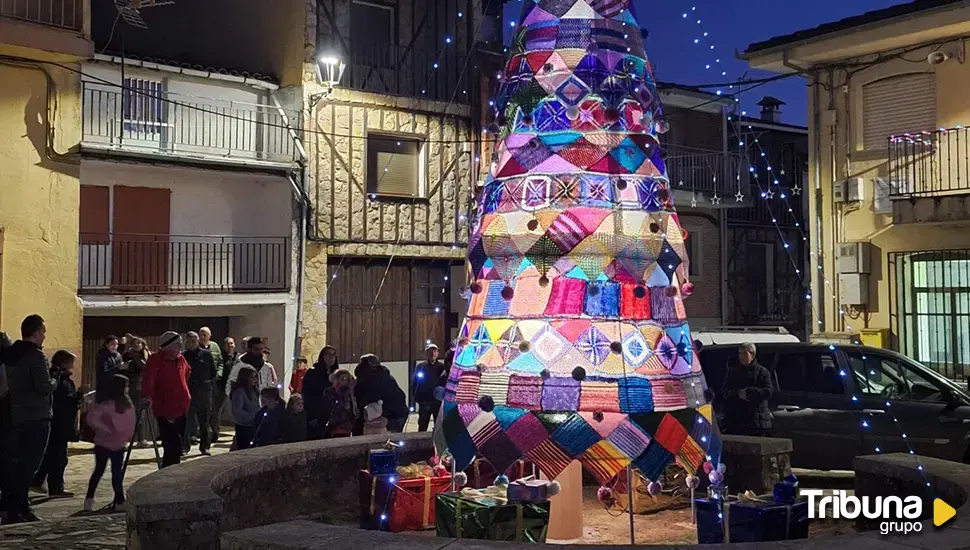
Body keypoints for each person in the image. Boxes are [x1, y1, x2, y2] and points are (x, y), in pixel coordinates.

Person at [3, 315, 56, 523]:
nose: (44, 336)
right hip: (36, 415)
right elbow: (44, 387)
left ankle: (12, 507)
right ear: (35, 333)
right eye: (43, 331)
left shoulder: (10, 355)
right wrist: (55, 380)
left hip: (15, 415)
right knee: (29, 464)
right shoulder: (36, 356)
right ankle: (20, 507)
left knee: (16, 464)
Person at [31, 350, 83, 499]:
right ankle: (55, 488)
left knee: (51, 455)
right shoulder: (58, 378)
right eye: (71, 362)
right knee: (59, 457)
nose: (73, 366)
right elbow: (62, 402)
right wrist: (78, 395)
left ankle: (37, 480)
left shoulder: (59, 377)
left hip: (58, 423)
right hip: (59, 423)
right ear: (65, 363)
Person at [83, 374, 136, 512]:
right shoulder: (109, 404)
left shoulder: (125, 404)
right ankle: (91, 499)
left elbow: (130, 422)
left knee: (113, 474)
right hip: (105, 443)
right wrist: (106, 430)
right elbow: (92, 418)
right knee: (104, 472)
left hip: (115, 444)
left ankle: (118, 500)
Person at [141, 332, 191, 467]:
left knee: (178, 443)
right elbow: (148, 380)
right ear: (167, 346)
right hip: (165, 408)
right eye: (177, 344)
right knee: (172, 444)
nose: (180, 346)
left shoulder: (181, 359)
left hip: (181, 408)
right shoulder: (155, 360)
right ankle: (168, 471)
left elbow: (187, 373)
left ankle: (172, 469)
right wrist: (147, 396)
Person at [721, 342, 774, 437]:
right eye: (740, 353)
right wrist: (738, 394)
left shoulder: (762, 372)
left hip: (757, 422)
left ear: (752, 354)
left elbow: (768, 391)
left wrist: (749, 392)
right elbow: (725, 392)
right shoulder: (733, 372)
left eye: (745, 353)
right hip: (736, 422)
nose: (742, 356)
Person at [354, 354, 408, 433]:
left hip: (390, 418)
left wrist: (388, 422)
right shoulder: (363, 380)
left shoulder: (383, 379)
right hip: (385, 418)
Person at [182, 332, 216, 456]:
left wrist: (208, 385)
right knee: (187, 422)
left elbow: (213, 372)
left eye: (193, 341)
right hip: (189, 391)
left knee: (204, 421)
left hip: (204, 392)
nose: (190, 344)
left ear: (197, 341)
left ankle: (205, 447)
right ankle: (185, 447)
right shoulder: (183, 356)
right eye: (188, 341)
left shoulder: (206, 354)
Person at [303, 346, 338, 440]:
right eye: (328, 354)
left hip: (334, 417)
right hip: (316, 415)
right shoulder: (312, 373)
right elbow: (307, 395)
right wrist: (313, 416)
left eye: (334, 355)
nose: (331, 357)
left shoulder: (337, 374)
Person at [123, 337, 150, 447]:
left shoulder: (147, 355)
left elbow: (145, 368)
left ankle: (141, 439)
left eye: (139, 343)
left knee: (140, 414)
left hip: (142, 388)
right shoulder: (129, 355)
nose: (137, 345)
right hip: (132, 387)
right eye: (134, 343)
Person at [413, 343, 447, 432]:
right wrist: (418, 399)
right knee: (422, 426)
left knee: (439, 427)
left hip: (437, 403)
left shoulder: (441, 367)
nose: (433, 354)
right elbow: (414, 384)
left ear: (438, 353)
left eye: (435, 351)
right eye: (430, 352)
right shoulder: (420, 367)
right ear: (426, 353)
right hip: (425, 403)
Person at [319, 368, 358, 438]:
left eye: (347, 379)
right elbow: (327, 410)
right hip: (334, 428)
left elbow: (355, 410)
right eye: (343, 379)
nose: (346, 381)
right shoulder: (330, 392)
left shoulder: (350, 392)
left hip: (348, 427)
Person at [211, 336, 236, 443]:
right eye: (228, 344)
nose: (230, 346)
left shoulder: (238, 357)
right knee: (217, 411)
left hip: (235, 388)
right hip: (222, 387)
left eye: (232, 343)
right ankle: (215, 433)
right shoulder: (222, 358)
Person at [230, 368, 260, 451]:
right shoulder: (239, 392)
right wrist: (253, 416)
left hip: (253, 426)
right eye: (252, 377)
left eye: (256, 377)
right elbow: (237, 412)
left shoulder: (254, 391)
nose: (255, 380)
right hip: (244, 427)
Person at [95, 335, 124, 400]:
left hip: (117, 388)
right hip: (105, 389)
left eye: (116, 344)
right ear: (106, 344)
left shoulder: (118, 355)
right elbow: (103, 373)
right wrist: (119, 368)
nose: (115, 346)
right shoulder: (102, 355)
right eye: (112, 344)